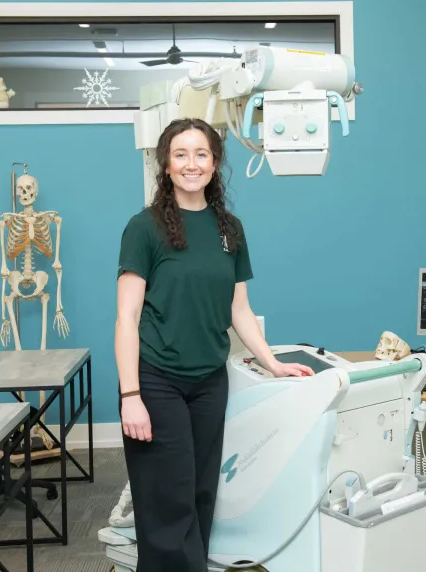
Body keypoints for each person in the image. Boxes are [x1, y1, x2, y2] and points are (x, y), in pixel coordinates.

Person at [114, 117, 314, 571]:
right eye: (180, 154)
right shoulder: (144, 228)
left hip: (208, 380)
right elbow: (126, 317)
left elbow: (238, 309)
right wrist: (131, 396)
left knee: (202, 494)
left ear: (215, 162)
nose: (191, 164)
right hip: (156, 379)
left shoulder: (230, 229)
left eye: (201, 154)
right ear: (165, 165)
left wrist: (273, 362)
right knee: (169, 500)